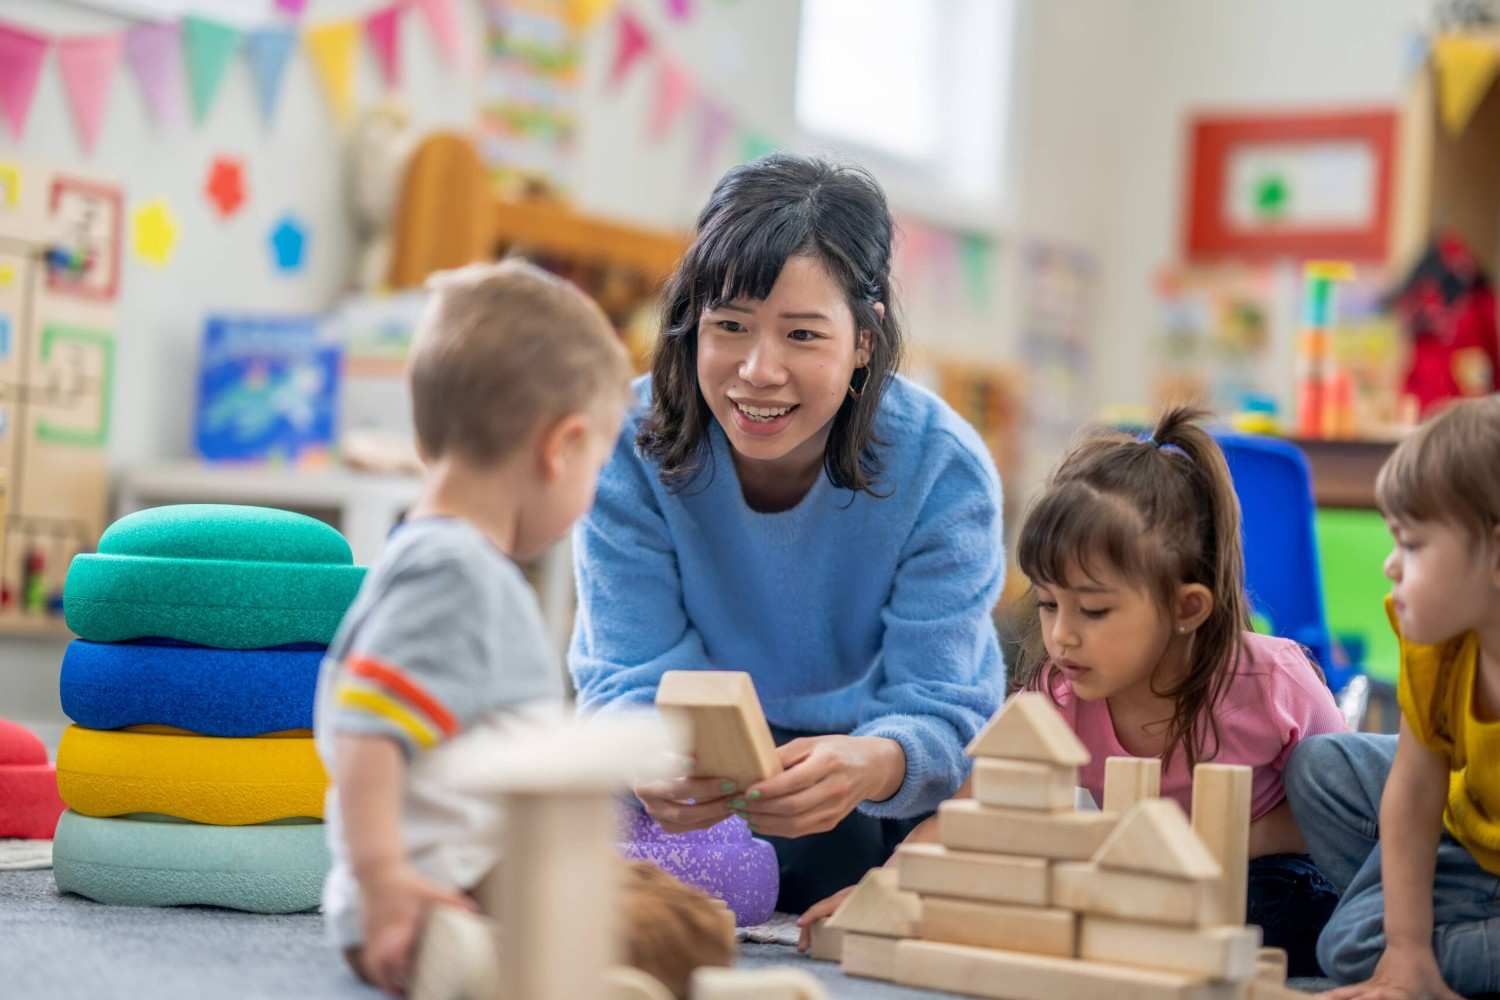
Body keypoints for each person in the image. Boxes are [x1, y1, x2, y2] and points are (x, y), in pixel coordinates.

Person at [568, 154, 1007, 911]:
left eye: (802, 335)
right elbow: (626, 671)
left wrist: (877, 762)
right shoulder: (626, 445)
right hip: (691, 772)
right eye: (729, 327)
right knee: (562, 836)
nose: (757, 371)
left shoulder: (944, 469)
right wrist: (647, 754)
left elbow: (942, 706)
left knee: (993, 839)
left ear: (865, 340)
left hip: (862, 774)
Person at [801, 407, 1345, 975]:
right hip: (1137, 882)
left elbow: (1347, 807)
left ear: (1187, 607)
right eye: (1048, 604)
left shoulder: (1272, 682)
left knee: (1274, 912)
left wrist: (1208, 844)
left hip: (1266, 870)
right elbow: (967, 814)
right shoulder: (1059, 699)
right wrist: (885, 889)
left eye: (1093, 610)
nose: (1061, 635)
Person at [315, 261, 728, 995]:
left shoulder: (441, 558)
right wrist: (385, 883)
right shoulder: (452, 574)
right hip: (447, 894)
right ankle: (486, 961)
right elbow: (366, 733)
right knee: (692, 933)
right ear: (560, 447)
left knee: (666, 901)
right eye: (596, 464)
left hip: (476, 870)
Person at [1286, 395, 1500, 999]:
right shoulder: (1434, 640)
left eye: (1411, 545)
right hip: (1466, 825)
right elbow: (1413, 786)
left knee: (1349, 945)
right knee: (1318, 765)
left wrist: (1399, 940)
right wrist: (1407, 945)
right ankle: (1436, 925)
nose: (1390, 566)